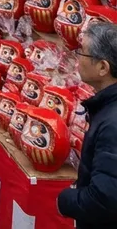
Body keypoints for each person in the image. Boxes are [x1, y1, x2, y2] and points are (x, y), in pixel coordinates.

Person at [58, 22, 117, 228]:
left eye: (82, 52)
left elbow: (104, 198)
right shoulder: (106, 108)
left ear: (103, 67)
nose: (77, 59)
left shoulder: (112, 124)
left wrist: (66, 199)